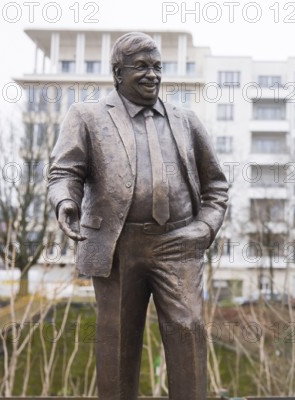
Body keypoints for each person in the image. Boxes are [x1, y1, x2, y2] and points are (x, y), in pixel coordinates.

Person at [48, 32, 229, 400]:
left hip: (178, 245)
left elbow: (217, 187)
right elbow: (64, 172)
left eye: (157, 67)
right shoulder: (87, 117)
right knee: (117, 341)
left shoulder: (186, 121)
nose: (152, 75)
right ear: (118, 73)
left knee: (188, 330)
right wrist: (66, 203)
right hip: (117, 247)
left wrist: (204, 228)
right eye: (142, 67)